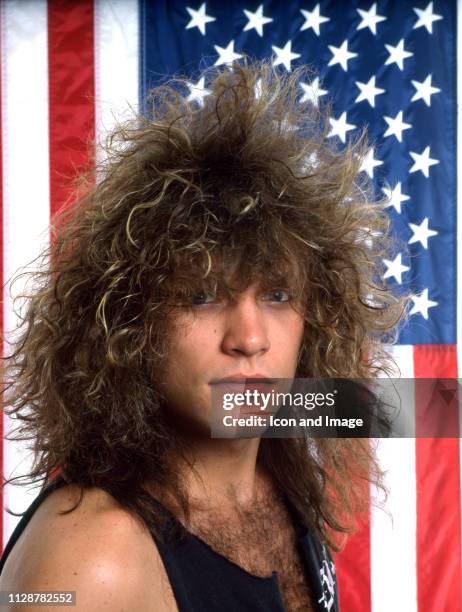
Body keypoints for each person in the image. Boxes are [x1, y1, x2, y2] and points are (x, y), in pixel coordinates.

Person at [0, 58, 409, 611]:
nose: (250, 338)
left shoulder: (270, 459)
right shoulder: (94, 560)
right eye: (202, 296)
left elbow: (411, 405)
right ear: (128, 323)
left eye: (277, 295)